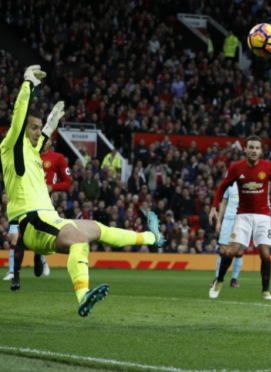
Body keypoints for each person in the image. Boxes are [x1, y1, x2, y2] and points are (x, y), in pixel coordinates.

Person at [1, 65, 165, 317]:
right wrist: (27, 85)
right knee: (79, 241)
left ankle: (152, 238)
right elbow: (19, 116)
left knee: (97, 229)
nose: (37, 132)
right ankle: (82, 296)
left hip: (48, 217)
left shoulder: (32, 150)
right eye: (32, 128)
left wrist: (49, 126)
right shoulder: (11, 145)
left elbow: (41, 139)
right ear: (22, 129)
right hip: (32, 221)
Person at [210, 135, 271, 300]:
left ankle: (265, 290)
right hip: (243, 215)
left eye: (257, 148)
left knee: (264, 252)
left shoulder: (268, 167)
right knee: (231, 250)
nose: (254, 150)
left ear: (261, 150)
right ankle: (220, 280)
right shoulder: (236, 168)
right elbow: (222, 187)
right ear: (245, 149)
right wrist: (213, 208)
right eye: (251, 147)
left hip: (263, 215)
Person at [9, 136, 71, 290]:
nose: (43, 141)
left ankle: (38, 255)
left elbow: (68, 182)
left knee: (39, 237)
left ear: (51, 142)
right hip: (26, 203)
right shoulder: (28, 153)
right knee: (20, 239)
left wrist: (52, 187)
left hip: (45, 205)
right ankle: (16, 278)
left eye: (47, 139)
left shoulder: (57, 158)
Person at [208, 180, 245, 299]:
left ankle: (233, 279)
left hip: (241, 220)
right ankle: (217, 278)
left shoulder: (247, 184)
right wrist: (219, 221)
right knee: (223, 250)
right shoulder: (229, 184)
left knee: (239, 251)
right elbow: (223, 203)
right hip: (228, 220)